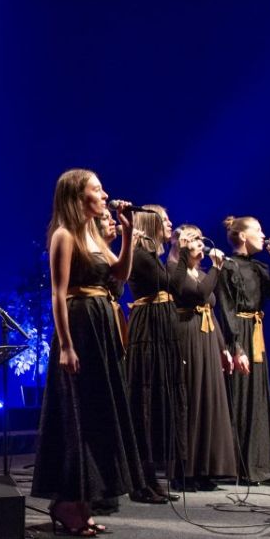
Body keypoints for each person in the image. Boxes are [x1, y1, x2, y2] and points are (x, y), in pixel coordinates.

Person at [31, 169, 138, 537]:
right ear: (78, 197)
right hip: (78, 325)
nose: (105, 195)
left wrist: (127, 234)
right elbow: (59, 295)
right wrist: (66, 346)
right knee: (77, 415)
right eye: (97, 189)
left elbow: (119, 275)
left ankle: (84, 503)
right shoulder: (64, 235)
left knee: (97, 413)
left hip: (101, 325)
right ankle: (67, 502)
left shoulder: (94, 233)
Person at [216, 215, 270, 485]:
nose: (263, 235)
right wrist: (235, 346)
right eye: (257, 230)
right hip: (237, 333)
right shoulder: (226, 266)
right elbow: (225, 308)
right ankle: (237, 465)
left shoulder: (259, 267)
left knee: (257, 396)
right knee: (240, 395)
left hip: (256, 333)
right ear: (241, 236)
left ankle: (260, 465)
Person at [165, 224, 237, 491]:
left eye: (200, 239)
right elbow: (196, 294)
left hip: (207, 337)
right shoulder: (174, 269)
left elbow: (209, 309)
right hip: (187, 335)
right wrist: (217, 269)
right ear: (180, 243)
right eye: (193, 239)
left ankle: (207, 468)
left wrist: (223, 347)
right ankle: (186, 470)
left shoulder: (203, 272)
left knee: (209, 400)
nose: (200, 244)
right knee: (192, 399)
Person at [123, 206, 179, 503]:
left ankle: (152, 478)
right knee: (144, 404)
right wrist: (177, 255)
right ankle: (140, 481)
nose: (170, 223)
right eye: (165, 219)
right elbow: (170, 284)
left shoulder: (152, 255)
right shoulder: (142, 256)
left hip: (160, 328)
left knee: (156, 405)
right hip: (148, 330)